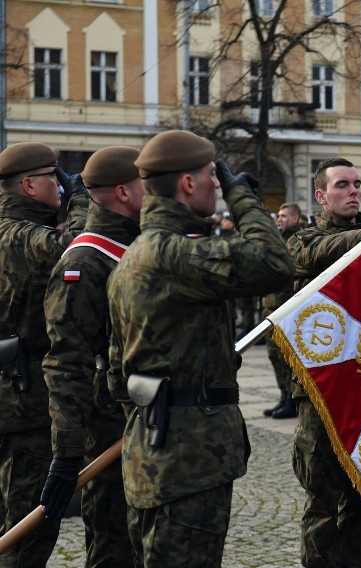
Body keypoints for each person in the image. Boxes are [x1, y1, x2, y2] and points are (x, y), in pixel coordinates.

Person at [106, 130, 294, 566]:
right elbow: (275, 264)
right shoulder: (174, 254)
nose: (218, 185)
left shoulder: (134, 255)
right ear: (188, 184)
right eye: (213, 176)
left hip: (154, 448)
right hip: (188, 460)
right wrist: (243, 196)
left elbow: (117, 373)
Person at [40, 146, 144, 566]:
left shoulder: (142, 243)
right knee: (112, 540)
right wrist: (66, 453)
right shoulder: (85, 260)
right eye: (146, 184)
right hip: (107, 427)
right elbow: (66, 362)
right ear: (122, 191)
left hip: (146, 422)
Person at [0, 142, 88, 566]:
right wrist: (84, 198)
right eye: (53, 177)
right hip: (24, 401)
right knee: (28, 521)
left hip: (13, 390)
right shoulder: (17, 234)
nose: (60, 184)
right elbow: (79, 248)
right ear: (28, 185)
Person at [287, 158, 361, 567]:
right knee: (321, 499)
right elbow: (313, 255)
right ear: (321, 197)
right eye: (342, 185)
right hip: (319, 390)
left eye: (357, 184)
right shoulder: (303, 240)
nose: (353, 191)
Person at [261, 202, 303, 419]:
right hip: (270, 305)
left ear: (295, 218)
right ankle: (283, 395)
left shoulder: (296, 241)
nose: (279, 219)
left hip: (285, 307)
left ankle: (292, 399)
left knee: (286, 356)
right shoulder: (277, 239)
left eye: (284, 216)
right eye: (279, 215)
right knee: (273, 355)